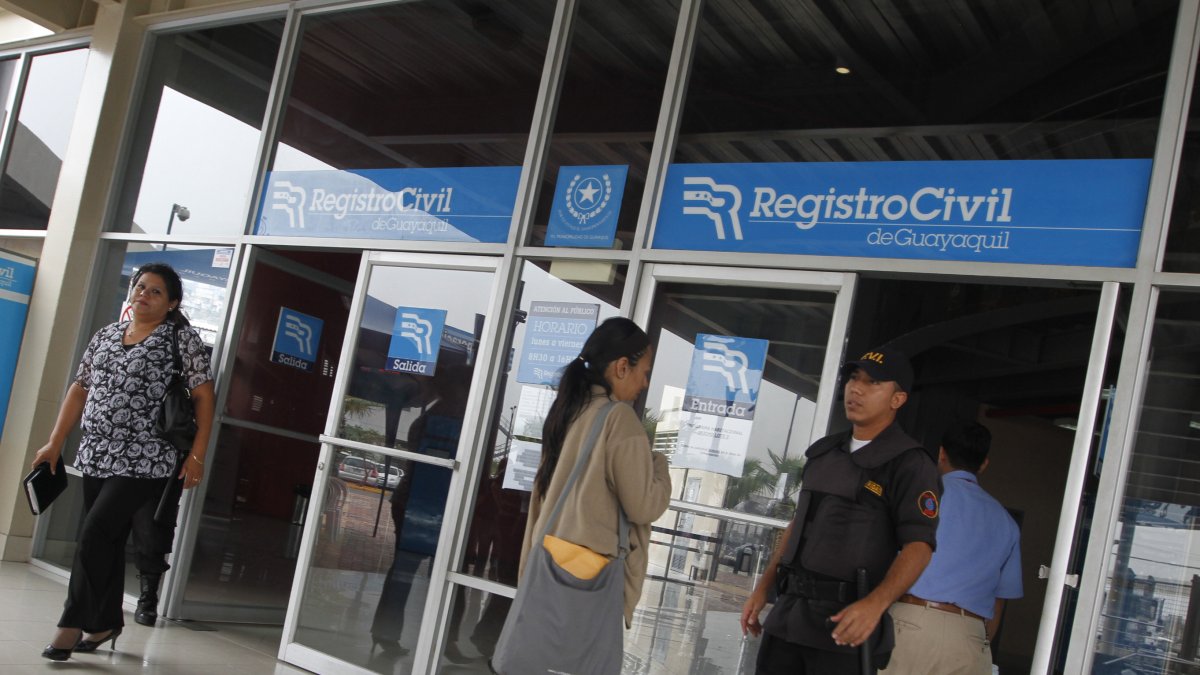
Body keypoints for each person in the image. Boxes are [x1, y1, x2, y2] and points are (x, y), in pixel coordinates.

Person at [31, 262, 215, 661]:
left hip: (146, 459)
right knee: (108, 543)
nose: (143, 295)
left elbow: (203, 398)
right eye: (140, 287)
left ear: (172, 303)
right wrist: (54, 442)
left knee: (95, 534)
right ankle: (104, 623)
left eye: (155, 292)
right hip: (96, 453)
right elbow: (79, 389)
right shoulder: (106, 335)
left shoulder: (181, 340)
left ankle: (71, 624)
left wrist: (197, 455)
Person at [741, 345, 941, 673]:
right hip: (789, 618)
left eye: (873, 383)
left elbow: (920, 546)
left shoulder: (910, 464)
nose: (857, 388)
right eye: (854, 378)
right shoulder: (824, 453)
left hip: (844, 628)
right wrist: (763, 588)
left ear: (898, 399)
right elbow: (798, 526)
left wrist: (876, 605)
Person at [519, 317, 672, 632]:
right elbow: (644, 506)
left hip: (547, 562)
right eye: (644, 373)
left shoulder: (567, 409)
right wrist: (659, 463)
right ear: (620, 367)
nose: (644, 384)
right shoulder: (619, 419)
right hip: (591, 576)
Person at [882, 419, 1022, 675]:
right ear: (983, 464)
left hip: (911, 623)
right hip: (970, 636)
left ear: (941, 453)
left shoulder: (922, 497)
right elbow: (999, 601)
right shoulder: (1006, 522)